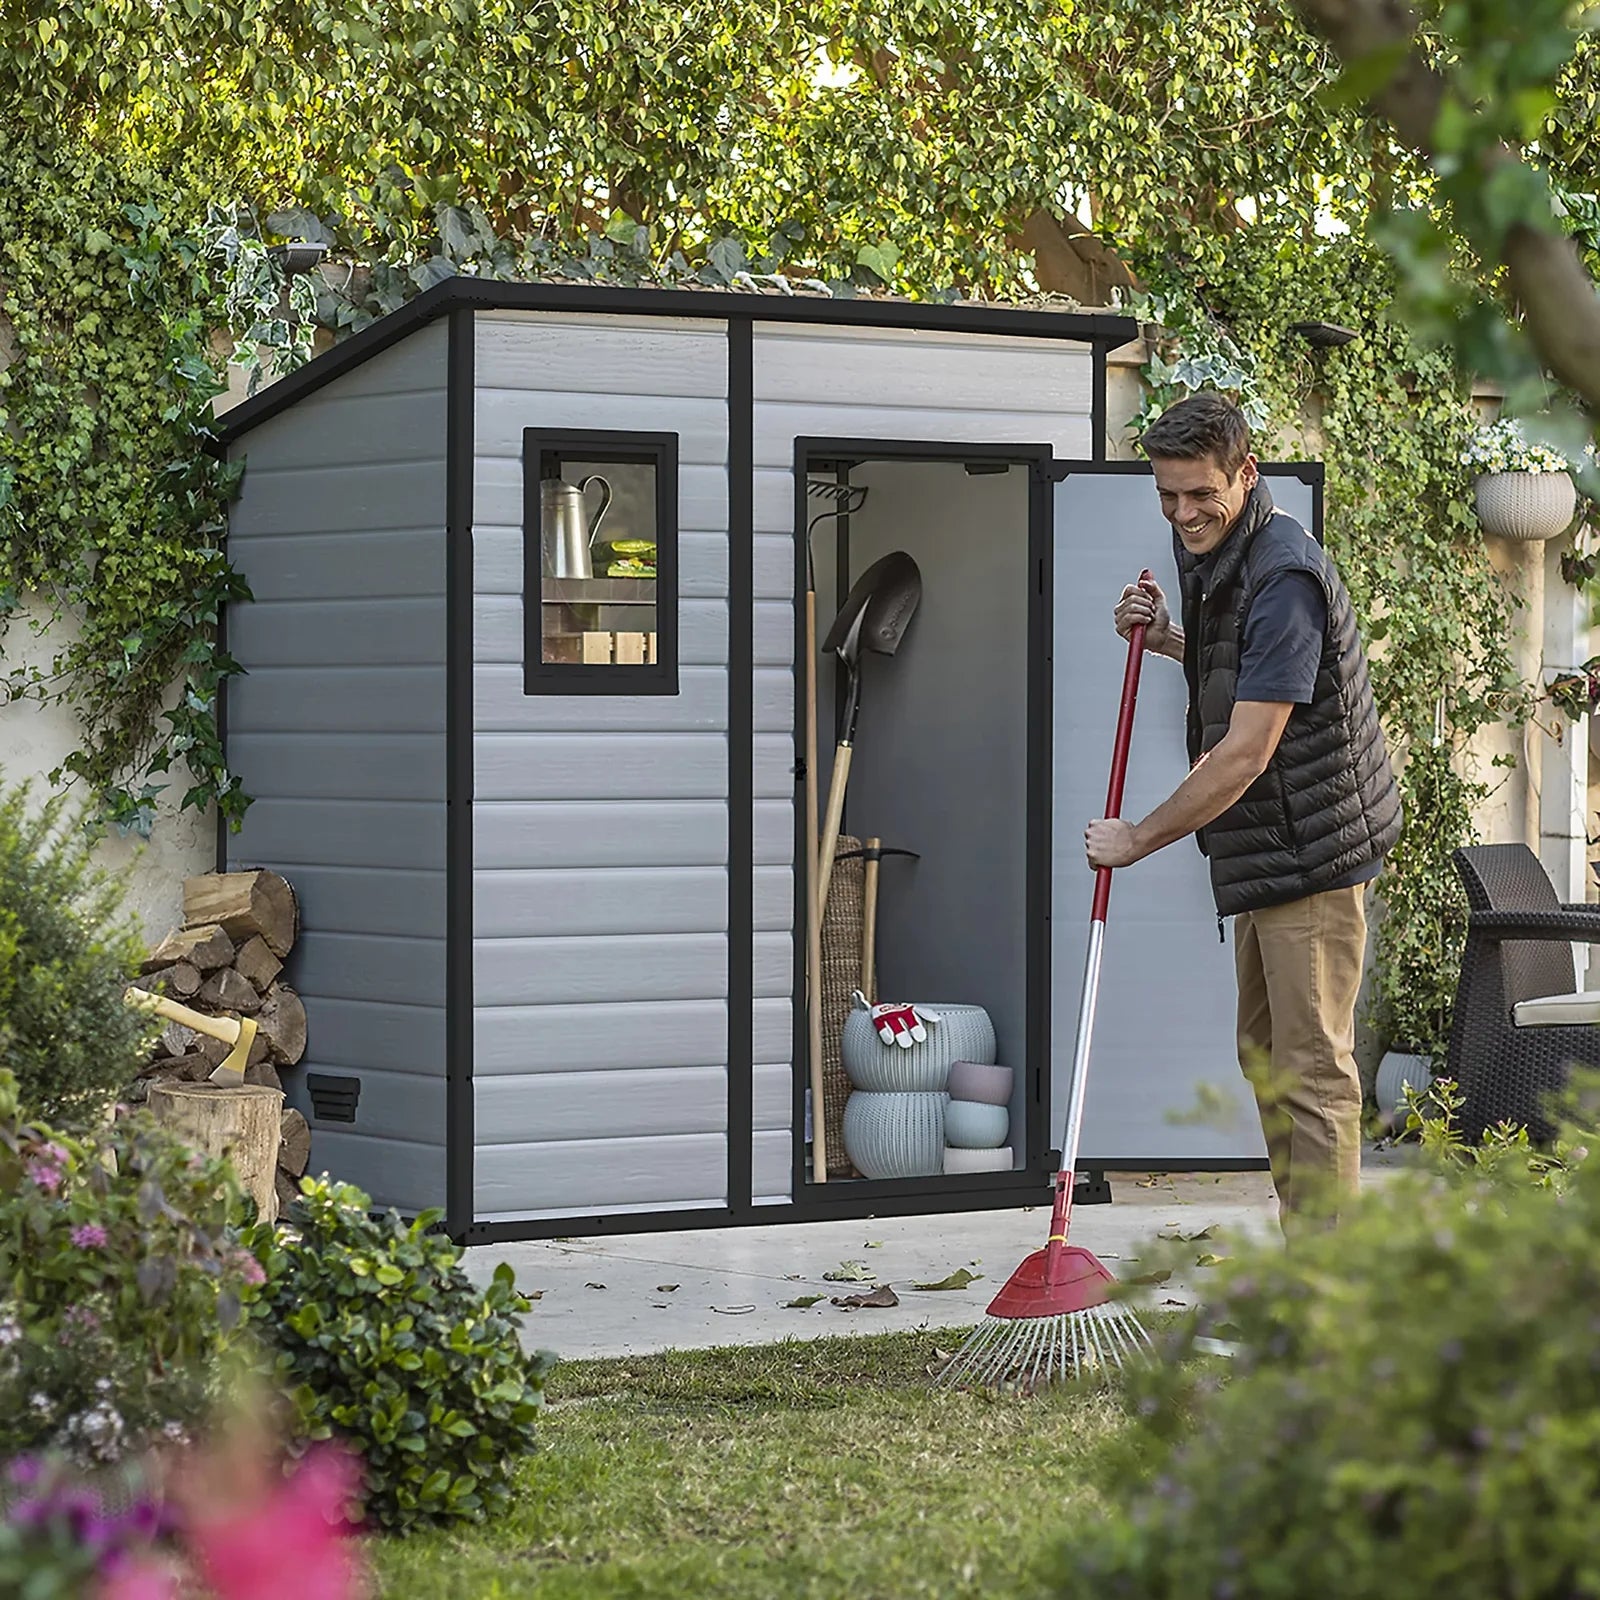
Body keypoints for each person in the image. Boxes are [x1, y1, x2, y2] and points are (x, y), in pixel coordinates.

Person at [1084, 391, 1401, 1229]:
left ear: (1246, 473)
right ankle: (1313, 1253)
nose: (1183, 513)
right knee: (1266, 1058)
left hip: (1313, 853)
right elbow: (1249, 669)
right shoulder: (1229, 550)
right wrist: (1167, 642)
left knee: (1311, 1070)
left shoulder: (1284, 575)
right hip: (1270, 851)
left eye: (1199, 494)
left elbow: (1249, 748)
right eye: (1167, 495)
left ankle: (1330, 1297)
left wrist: (1137, 839)